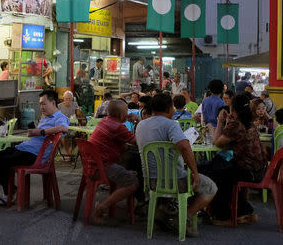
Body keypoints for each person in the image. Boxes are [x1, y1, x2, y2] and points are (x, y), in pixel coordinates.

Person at [136, 93, 217, 237]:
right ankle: (182, 218)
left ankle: (161, 212)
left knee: (174, 174)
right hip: (174, 182)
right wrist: (195, 173)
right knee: (210, 188)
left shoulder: (141, 124)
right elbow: (185, 147)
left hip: (150, 181)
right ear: (169, 108)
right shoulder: (171, 125)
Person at [0, 90, 69, 204]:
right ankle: (10, 189)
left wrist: (41, 132)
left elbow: (64, 128)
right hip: (23, 148)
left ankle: (8, 192)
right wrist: (34, 131)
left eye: (43, 104)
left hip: (34, 155)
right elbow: (38, 134)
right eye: (40, 104)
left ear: (53, 103)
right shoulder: (45, 118)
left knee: (1, 161)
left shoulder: (59, 117)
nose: (41, 107)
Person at [210, 94, 267, 225]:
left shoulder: (236, 124)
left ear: (233, 109)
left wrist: (219, 121)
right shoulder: (249, 122)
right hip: (260, 170)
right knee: (222, 169)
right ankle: (244, 211)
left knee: (217, 174)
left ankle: (223, 216)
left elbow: (217, 143)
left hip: (249, 172)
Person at [89, 100, 140, 223]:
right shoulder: (118, 127)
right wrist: (138, 120)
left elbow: (121, 145)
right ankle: (102, 207)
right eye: (126, 111)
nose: (128, 113)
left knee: (129, 161)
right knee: (133, 182)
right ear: (122, 115)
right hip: (102, 167)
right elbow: (138, 141)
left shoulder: (105, 121)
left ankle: (132, 205)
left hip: (92, 164)